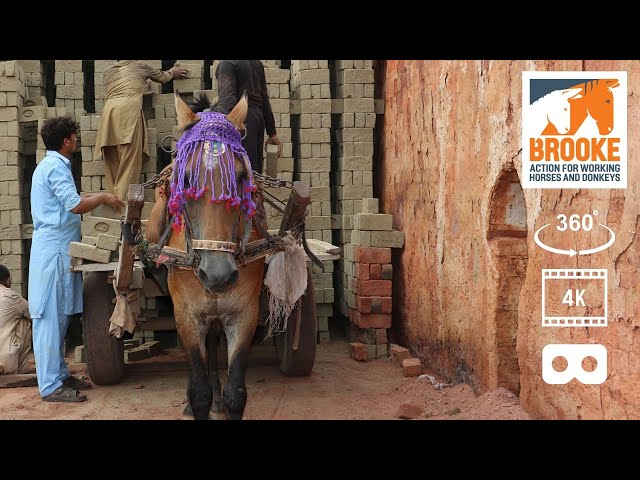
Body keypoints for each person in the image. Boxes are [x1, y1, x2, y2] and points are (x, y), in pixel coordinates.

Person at [30, 115, 125, 403]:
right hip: (53, 249)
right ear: (66, 140)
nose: (77, 139)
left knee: (58, 317)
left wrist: (99, 195)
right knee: (49, 316)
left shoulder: (52, 165)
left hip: (59, 248)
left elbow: (72, 197)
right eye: (74, 135)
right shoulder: (55, 167)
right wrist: (104, 198)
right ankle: (50, 386)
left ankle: (59, 374)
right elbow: (74, 205)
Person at [94, 60, 188, 201]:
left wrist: (141, 90)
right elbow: (162, 77)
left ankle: (111, 203)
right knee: (129, 162)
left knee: (112, 163)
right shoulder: (140, 66)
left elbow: (125, 88)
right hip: (128, 113)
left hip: (109, 115)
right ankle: (122, 204)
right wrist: (172, 72)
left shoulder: (108, 72)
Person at [212, 60, 281, 173]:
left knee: (242, 172)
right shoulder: (257, 63)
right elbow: (264, 97)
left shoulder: (227, 63)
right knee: (254, 170)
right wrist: (272, 132)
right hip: (257, 119)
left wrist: (218, 130)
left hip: (241, 120)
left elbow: (227, 100)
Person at [0, 265, 32, 375]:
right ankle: (20, 368)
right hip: (5, 363)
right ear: (8, 281)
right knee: (26, 320)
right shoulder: (11, 296)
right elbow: (33, 314)